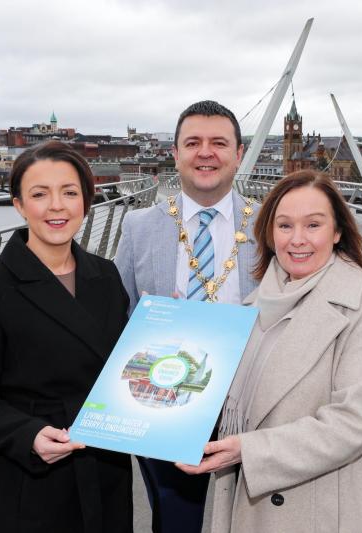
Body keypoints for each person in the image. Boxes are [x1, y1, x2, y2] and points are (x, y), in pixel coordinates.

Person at [177, 170, 362, 533]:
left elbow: (351, 424)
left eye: (313, 225)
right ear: (270, 233)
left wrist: (248, 451)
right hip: (252, 504)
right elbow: (235, 404)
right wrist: (182, 344)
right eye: (284, 226)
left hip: (324, 508)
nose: (297, 239)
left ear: (338, 231)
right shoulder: (253, 306)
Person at [0, 141, 133, 533]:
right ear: (19, 205)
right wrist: (27, 435)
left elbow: (122, 368)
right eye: (40, 194)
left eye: (69, 192)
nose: (56, 207)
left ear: (87, 201)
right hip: (26, 481)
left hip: (103, 469)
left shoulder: (106, 276)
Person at [114, 100, 259, 532]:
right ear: (175, 155)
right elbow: (118, 312)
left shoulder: (271, 224)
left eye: (219, 143)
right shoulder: (138, 226)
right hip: (165, 399)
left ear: (238, 153)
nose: (206, 153)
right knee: (176, 521)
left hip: (253, 397)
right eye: (193, 143)